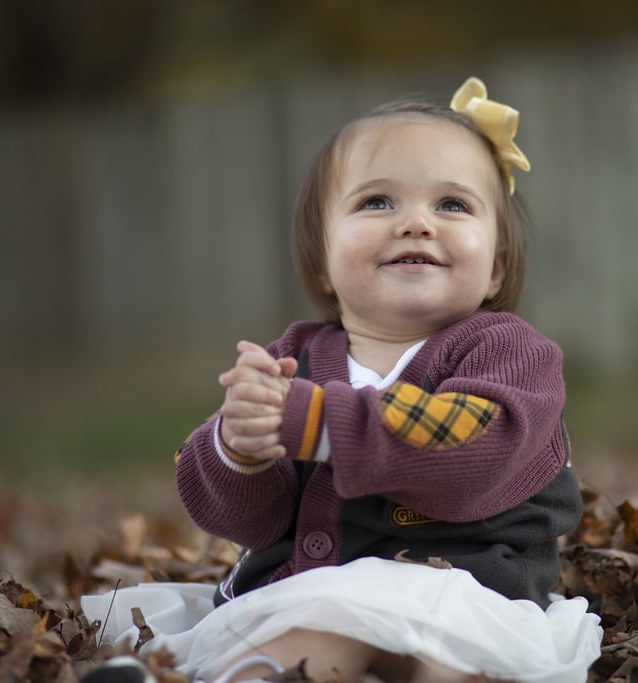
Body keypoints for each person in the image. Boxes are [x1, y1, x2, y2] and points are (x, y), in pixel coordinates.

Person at [81, 77, 601, 683]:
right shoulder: (293, 358)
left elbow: (471, 451)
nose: (415, 222)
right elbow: (250, 522)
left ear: (497, 268)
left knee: (440, 663)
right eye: (377, 202)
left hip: (471, 599)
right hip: (310, 601)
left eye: (452, 205)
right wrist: (240, 449)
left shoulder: (509, 354)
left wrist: (317, 422)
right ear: (322, 259)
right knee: (312, 633)